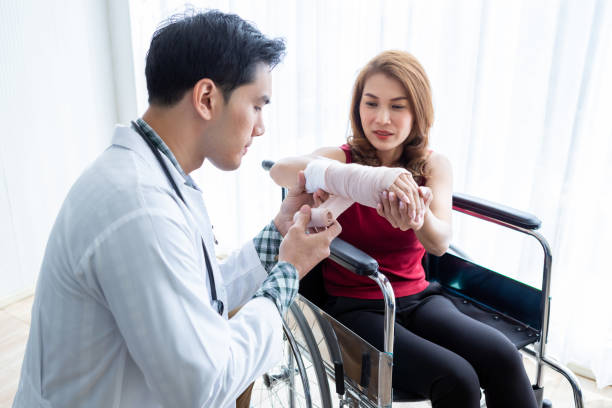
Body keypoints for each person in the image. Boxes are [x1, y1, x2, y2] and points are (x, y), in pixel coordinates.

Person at [12, 10, 340, 408]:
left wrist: (279, 233)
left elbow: (194, 294)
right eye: (256, 105)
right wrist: (288, 272)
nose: (260, 127)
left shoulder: (151, 176)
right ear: (206, 98)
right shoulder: (139, 206)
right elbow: (202, 382)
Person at [270, 50, 538, 408]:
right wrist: (362, 178)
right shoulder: (340, 159)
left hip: (419, 298)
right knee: (457, 379)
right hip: (357, 307)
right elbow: (281, 170)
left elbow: (439, 242)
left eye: (398, 106)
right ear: (358, 107)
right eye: (371, 104)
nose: (382, 118)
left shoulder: (432, 165)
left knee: (503, 357)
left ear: (417, 112)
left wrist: (417, 217)